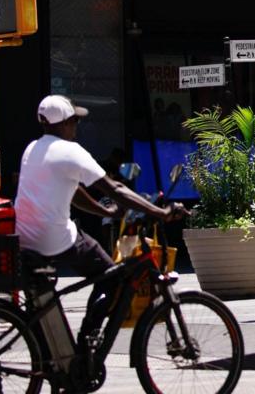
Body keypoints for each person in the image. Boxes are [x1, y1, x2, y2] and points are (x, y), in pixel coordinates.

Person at [15, 95, 185, 345]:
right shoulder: (70, 151)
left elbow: (71, 189)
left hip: (26, 238)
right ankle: (87, 342)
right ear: (64, 123)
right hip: (55, 238)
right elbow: (115, 189)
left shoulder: (33, 149)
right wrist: (159, 212)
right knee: (112, 278)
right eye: (74, 121)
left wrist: (104, 212)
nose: (76, 127)